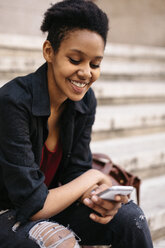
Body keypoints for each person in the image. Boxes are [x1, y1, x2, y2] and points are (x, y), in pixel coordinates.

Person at [0, 0, 153, 247]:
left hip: (48, 204)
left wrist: (99, 199)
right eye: (75, 60)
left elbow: (76, 172)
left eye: (95, 64)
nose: (85, 73)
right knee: (58, 241)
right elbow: (32, 203)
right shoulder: (13, 101)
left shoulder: (83, 101)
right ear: (49, 51)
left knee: (130, 217)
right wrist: (93, 176)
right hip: (8, 212)